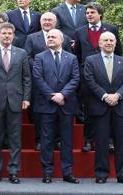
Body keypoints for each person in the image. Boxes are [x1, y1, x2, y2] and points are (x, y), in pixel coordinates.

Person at [84, 32, 123, 185]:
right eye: (105, 40)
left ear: (115, 43)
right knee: (101, 142)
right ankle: (101, 174)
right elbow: (89, 80)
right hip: (100, 106)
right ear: (99, 43)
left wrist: (117, 95)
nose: (109, 42)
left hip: (119, 107)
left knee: (122, 143)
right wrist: (105, 96)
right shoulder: (90, 60)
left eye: (112, 40)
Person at [32, 29, 80, 184]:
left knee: (67, 140)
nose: (50, 38)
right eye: (49, 37)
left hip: (66, 104)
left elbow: (75, 78)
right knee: (46, 140)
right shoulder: (39, 57)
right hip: (46, 105)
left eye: (53, 36)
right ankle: (47, 173)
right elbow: (38, 78)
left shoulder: (71, 58)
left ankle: (67, 173)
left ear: (62, 40)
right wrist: (53, 95)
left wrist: (62, 95)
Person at [74, 2, 122, 152]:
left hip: (108, 75)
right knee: (88, 111)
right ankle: (89, 141)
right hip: (87, 78)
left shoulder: (111, 29)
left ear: (100, 14)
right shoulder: (79, 31)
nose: (89, 15)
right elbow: (77, 55)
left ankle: (109, 141)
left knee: (109, 110)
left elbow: (119, 52)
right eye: (87, 13)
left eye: (92, 12)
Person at [0, 23, 31, 184]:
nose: (6, 36)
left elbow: (27, 78)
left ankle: (13, 171)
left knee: (15, 138)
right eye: (3, 33)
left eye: (9, 33)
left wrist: (26, 98)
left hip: (16, 100)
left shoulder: (22, 53)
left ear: (13, 36)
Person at [24, 12, 72, 150]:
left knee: (58, 112)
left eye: (50, 20)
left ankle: (57, 139)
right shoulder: (31, 38)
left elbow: (69, 58)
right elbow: (27, 56)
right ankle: (40, 139)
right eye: (44, 20)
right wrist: (41, 68)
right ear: (40, 22)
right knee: (39, 114)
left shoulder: (65, 39)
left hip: (60, 84)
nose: (47, 22)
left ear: (55, 22)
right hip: (38, 83)